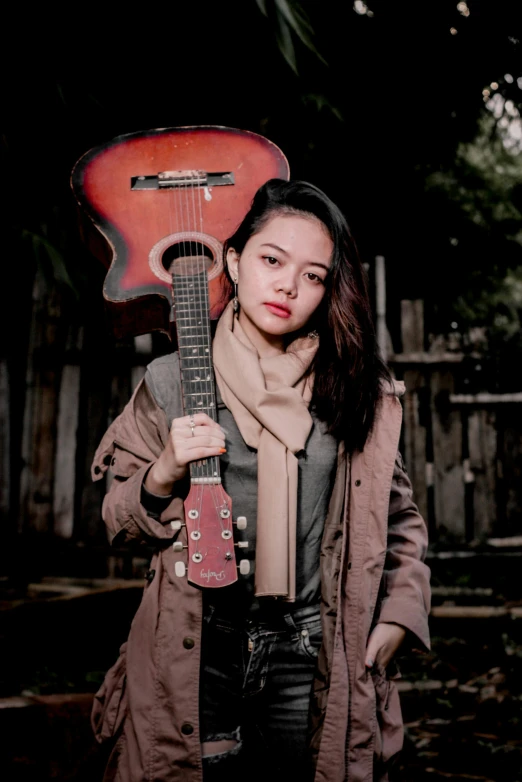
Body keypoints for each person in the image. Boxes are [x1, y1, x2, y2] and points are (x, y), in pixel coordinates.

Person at [90, 178, 431, 782]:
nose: (288, 286)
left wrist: (400, 616)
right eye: (272, 260)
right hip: (200, 644)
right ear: (235, 261)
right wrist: (164, 471)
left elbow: (398, 517)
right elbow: (117, 521)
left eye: (313, 275)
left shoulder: (356, 391)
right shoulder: (172, 381)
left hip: (312, 646)